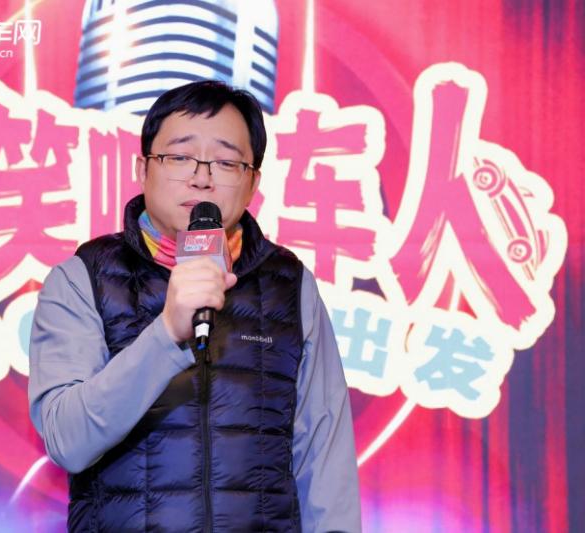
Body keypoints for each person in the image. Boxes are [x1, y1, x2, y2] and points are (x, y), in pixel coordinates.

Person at [28, 80, 361, 532]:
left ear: (252, 182)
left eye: (226, 162)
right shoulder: (82, 278)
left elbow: (324, 458)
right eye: (180, 156)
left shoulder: (289, 284)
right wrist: (165, 334)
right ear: (143, 168)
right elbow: (68, 440)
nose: (202, 177)